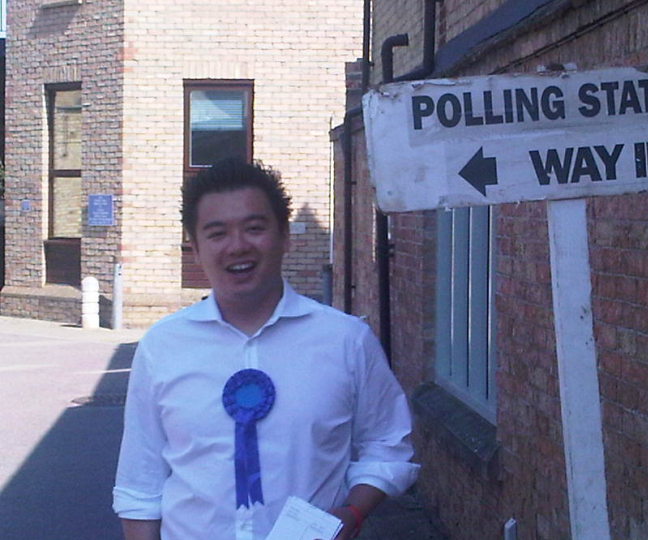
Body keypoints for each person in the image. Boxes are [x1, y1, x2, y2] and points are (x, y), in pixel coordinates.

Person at [112, 158, 419, 540]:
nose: (237, 246)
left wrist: (354, 511)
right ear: (195, 247)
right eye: (217, 233)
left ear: (284, 236)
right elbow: (140, 485)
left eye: (254, 228)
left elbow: (387, 445)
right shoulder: (162, 346)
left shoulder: (346, 341)